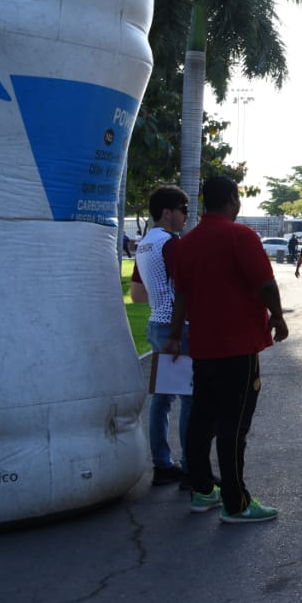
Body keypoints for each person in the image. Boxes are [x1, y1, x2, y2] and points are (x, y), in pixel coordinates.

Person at [166, 176, 288, 524]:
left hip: (203, 346)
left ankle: (203, 489)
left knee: (202, 420)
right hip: (238, 346)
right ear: (233, 198)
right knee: (234, 427)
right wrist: (278, 317)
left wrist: (174, 335)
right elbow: (266, 284)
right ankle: (236, 503)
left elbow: (181, 296)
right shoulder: (241, 235)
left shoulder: (187, 242)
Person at [133, 185, 192, 487]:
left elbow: (137, 293)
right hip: (177, 327)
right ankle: (191, 467)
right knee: (190, 399)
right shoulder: (171, 244)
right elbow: (186, 288)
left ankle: (162, 464)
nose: (186, 216)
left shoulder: (144, 243)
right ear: (167, 212)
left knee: (163, 397)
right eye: (183, 210)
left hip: (157, 322)